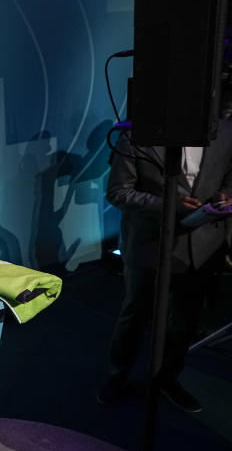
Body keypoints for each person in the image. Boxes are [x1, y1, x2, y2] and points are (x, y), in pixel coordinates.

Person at [99, 122, 232, 412]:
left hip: (202, 243)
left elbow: (228, 175)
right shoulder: (137, 136)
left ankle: (167, 380)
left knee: (184, 319)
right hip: (150, 242)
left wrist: (226, 194)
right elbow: (118, 192)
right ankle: (117, 375)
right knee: (136, 312)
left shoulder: (225, 131)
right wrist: (167, 203)